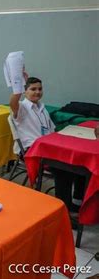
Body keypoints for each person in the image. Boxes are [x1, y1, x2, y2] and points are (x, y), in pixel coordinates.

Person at [10, 76, 84, 212]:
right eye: (33, 89)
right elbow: (13, 103)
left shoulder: (42, 108)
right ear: (25, 92)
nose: (37, 92)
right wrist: (17, 86)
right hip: (33, 150)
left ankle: (77, 201)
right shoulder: (22, 108)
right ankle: (63, 210)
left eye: (40, 89)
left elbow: (51, 130)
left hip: (48, 147)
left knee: (79, 160)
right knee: (63, 170)